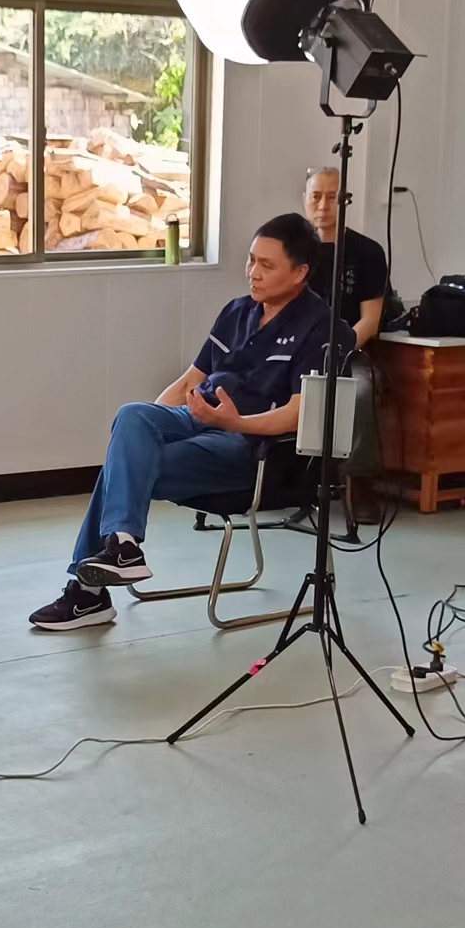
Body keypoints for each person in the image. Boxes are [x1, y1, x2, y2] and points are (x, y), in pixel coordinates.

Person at [30, 214, 350, 631]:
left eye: (266, 265)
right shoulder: (237, 312)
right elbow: (189, 382)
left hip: (250, 449)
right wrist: (141, 437)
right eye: (251, 260)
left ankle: (88, 594)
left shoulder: (323, 329)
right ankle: (124, 546)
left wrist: (237, 423)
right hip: (197, 420)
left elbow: (300, 412)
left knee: (122, 468)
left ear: (300, 272)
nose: (252, 273)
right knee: (132, 417)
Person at [302, 166, 388, 348]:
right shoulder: (294, 250)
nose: (323, 206)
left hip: (349, 352)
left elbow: (370, 321)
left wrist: (338, 352)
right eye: (315, 197)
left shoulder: (368, 251)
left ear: (345, 201)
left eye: (332, 197)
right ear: (305, 200)